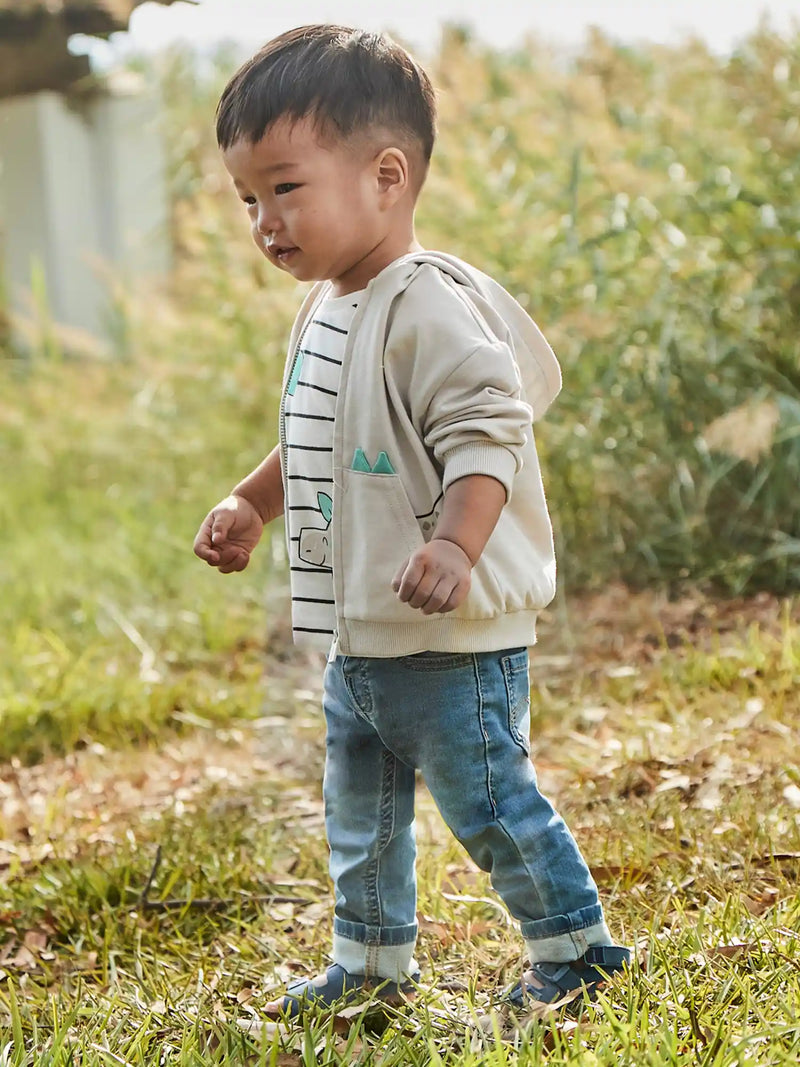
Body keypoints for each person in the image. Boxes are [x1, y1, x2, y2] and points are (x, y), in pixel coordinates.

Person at [193, 23, 630, 1019]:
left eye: (285, 186)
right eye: (247, 198)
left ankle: (577, 953)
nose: (265, 220)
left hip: (447, 636)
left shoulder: (429, 307)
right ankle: (371, 962)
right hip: (362, 634)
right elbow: (316, 435)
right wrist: (247, 501)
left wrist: (454, 544)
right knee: (362, 808)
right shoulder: (326, 307)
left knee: (485, 801)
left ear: (386, 176)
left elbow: (490, 433)